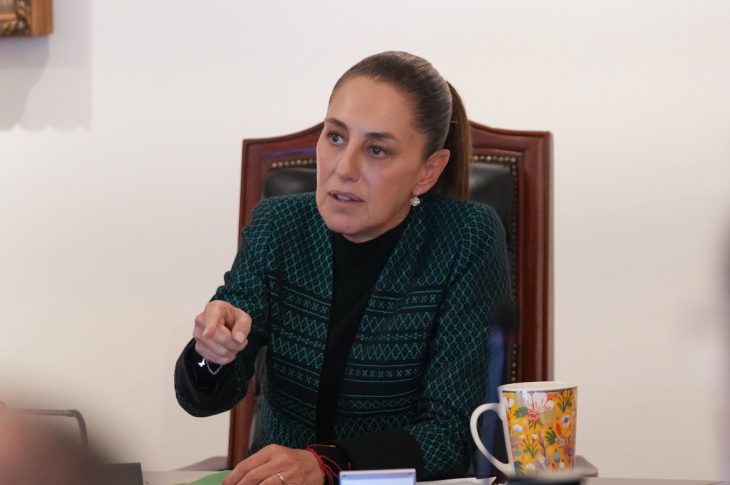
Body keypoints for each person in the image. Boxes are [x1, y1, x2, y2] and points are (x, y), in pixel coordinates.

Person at [174, 51, 512, 485]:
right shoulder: (279, 226)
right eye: (335, 137)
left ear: (428, 171)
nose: (344, 168)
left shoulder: (464, 238)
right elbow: (202, 399)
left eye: (376, 149)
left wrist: (326, 464)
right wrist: (212, 352)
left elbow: (455, 435)